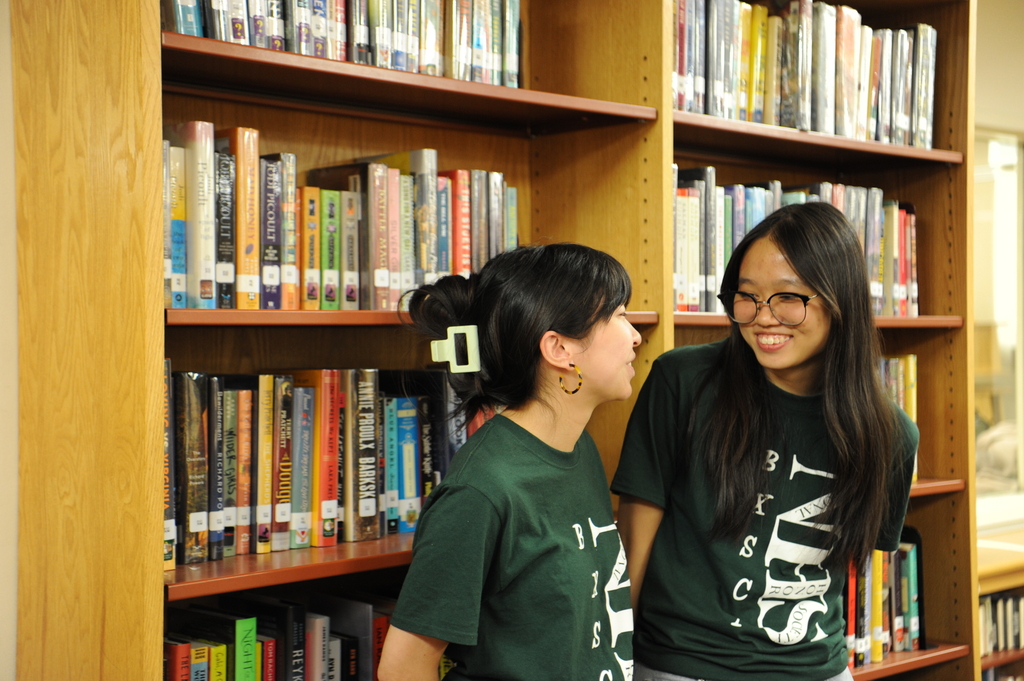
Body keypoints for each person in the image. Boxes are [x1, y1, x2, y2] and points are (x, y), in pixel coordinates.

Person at [612, 202, 918, 681]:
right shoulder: (684, 382)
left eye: (787, 298)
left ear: (841, 302)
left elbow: (850, 567)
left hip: (817, 670)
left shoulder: (891, 435)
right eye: (747, 297)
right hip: (683, 665)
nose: (762, 318)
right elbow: (633, 543)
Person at [378, 243, 640, 681]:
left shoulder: (579, 449)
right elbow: (403, 668)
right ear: (560, 349)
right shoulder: (480, 491)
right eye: (619, 315)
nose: (635, 335)